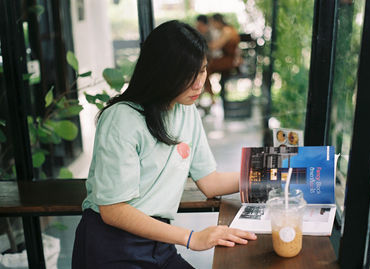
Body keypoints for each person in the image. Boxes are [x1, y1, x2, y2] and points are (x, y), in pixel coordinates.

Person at [71, 20, 256, 268]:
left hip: (158, 242)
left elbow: (210, 182)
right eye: (188, 75)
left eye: (202, 70)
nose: (199, 83)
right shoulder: (122, 118)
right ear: (161, 73)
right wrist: (192, 238)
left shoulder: (186, 109)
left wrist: (271, 174)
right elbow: (113, 211)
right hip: (112, 245)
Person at [204, 13, 242, 99]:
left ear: (217, 22)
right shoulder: (227, 29)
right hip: (228, 59)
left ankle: (211, 96)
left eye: (212, 23)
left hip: (230, 61)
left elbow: (215, 46)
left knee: (205, 69)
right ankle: (210, 94)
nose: (212, 26)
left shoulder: (227, 30)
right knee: (206, 67)